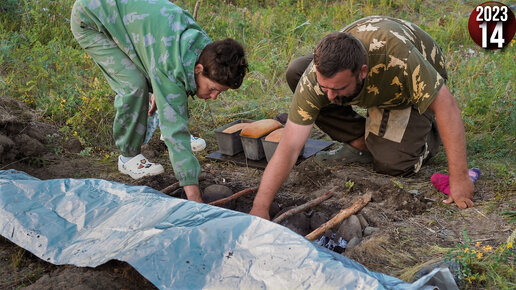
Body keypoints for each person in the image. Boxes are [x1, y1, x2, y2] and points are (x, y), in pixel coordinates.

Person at [249, 16, 474, 219]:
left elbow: (447, 106)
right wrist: (260, 205)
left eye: (338, 87)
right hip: (372, 85)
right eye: (324, 87)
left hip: (410, 87)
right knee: (296, 71)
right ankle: (367, 135)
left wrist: (459, 177)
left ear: (363, 72)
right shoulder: (315, 81)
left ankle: (427, 129)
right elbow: (290, 146)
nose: (328, 96)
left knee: (392, 163)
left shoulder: (399, 57)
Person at [71, 0, 248, 202]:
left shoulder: (204, 48)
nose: (214, 96)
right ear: (198, 69)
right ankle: (128, 157)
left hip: (132, 21)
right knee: (134, 85)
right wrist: (194, 196)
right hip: (91, 17)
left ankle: (161, 115)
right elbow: (175, 130)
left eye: (220, 92)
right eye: (213, 89)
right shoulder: (171, 61)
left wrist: (159, 85)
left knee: (160, 84)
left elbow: (164, 65)